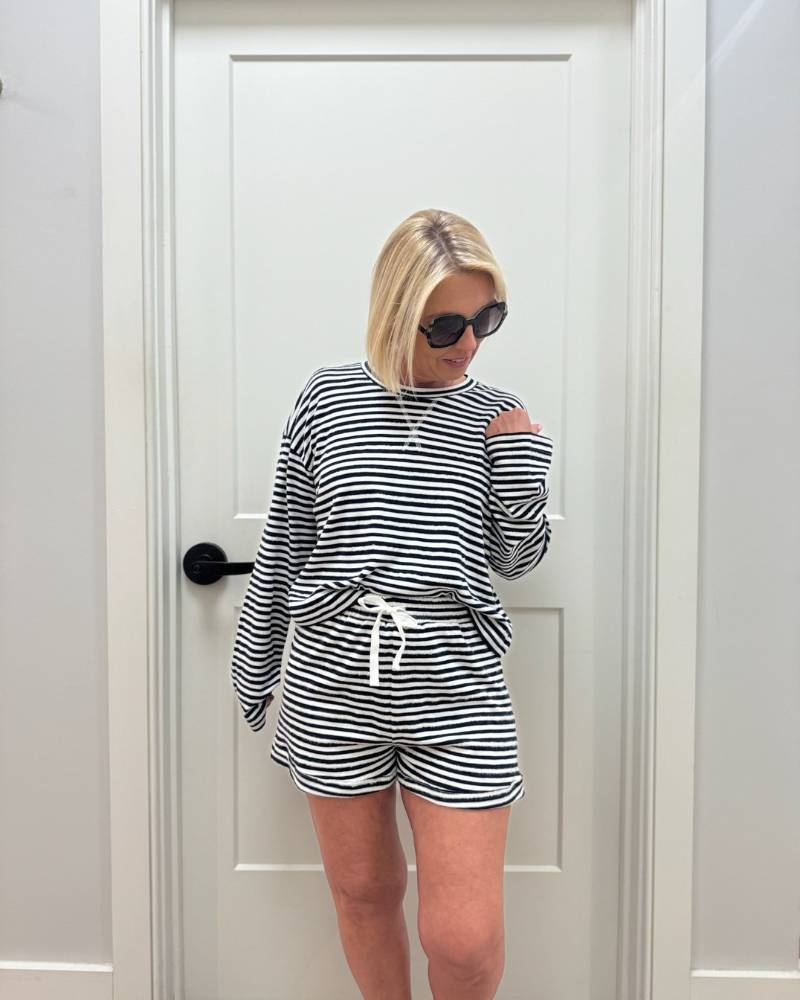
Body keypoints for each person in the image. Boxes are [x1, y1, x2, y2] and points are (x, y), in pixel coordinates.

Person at [231, 207, 554, 1000]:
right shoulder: (326, 399)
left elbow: (516, 562)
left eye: (487, 319)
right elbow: (286, 541)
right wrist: (255, 664)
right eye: (446, 325)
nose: (469, 343)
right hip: (334, 686)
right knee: (364, 894)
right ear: (395, 311)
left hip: (458, 690)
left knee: (463, 939)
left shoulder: (497, 414)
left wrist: (518, 470)